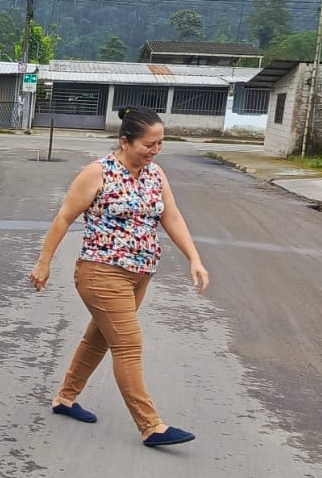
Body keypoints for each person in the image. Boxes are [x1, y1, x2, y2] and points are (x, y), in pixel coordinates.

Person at [28, 105, 209, 448]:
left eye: (160, 143)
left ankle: (65, 398)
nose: (155, 151)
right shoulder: (99, 172)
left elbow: (171, 217)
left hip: (140, 274)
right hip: (101, 272)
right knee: (127, 344)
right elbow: (64, 217)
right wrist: (43, 262)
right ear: (125, 141)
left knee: (99, 338)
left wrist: (194, 258)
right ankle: (150, 425)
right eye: (148, 144)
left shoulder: (155, 174)